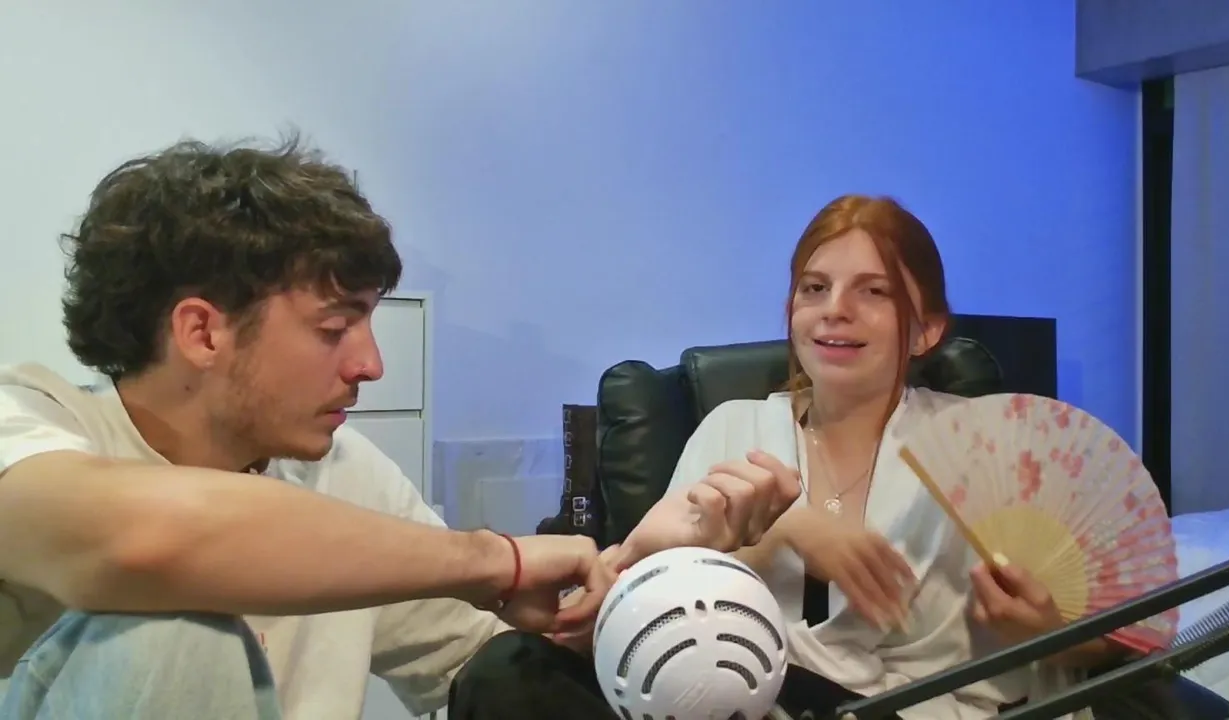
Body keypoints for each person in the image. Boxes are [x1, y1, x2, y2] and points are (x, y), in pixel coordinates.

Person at [0, 136, 800, 719]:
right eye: (333, 328)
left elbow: (486, 664)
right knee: (174, 630)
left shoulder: (342, 472)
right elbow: (151, 545)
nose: (371, 364)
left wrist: (645, 577)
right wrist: (493, 558)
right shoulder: (32, 426)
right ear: (203, 332)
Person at [449, 196, 1126, 719]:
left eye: (874, 291)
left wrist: (1053, 631)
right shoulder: (733, 429)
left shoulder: (993, 447)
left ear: (926, 328)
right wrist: (780, 533)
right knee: (508, 671)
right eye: (814, 288)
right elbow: (645, 615)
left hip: (920, 709)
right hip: (741, 700)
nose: (835, 311)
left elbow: (1123, 640)